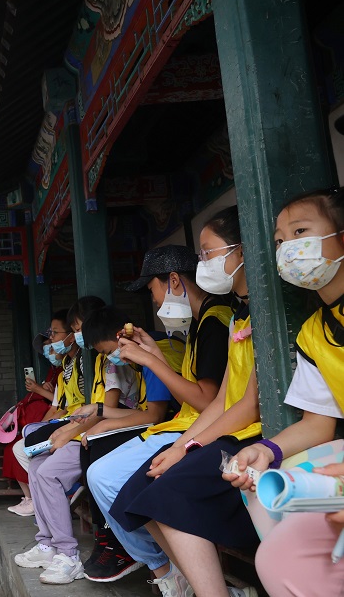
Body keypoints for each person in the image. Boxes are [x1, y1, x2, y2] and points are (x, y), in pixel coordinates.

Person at [109, 205, 260, 597]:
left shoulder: (239, 316)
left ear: (244, 250)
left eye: (208, 253)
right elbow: (222, 399)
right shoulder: (237, 317)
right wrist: (180, 446)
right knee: (136, 492)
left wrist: (187, 446)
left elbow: (242, 405)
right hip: (220, 430)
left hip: (249, 436)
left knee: (164, 494)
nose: (202, 263)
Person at [85, 244, 232, 586]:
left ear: (173, 280)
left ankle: (171, 572)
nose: (153, 300)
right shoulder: (202, 322)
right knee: (107, 477)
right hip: (190, 423)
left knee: (111, 479)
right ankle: (173, 573)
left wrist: (150, 360)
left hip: (207, 428)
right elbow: (189, 393)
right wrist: (154, 354)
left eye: (152, 289)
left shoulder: (216, 321)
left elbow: (207, 401)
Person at [222, 187, 344, 596]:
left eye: (300, 232)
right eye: (279, 241)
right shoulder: (313, 333)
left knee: (281, 558)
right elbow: (318, 424)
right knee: (262, 483)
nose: (288, 248)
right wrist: (265, 450)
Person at [14, 295, 117, 585]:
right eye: (73, 329)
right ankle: (47, 543)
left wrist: (67, 431)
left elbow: (105, 410)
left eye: (78, 328)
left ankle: (68, 554)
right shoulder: (85, 361)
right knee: (36, 467)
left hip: (98, 434)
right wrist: (61, 430)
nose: (75, 335)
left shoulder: (108, 359)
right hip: (80, 430)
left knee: (47, 472)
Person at [72, 305, 178, 581]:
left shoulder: (153, 352)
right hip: (168, 426)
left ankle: (124, 546)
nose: (110, 358)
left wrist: (105, 422)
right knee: (93, 446)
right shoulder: (140, 355)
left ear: (122, 334)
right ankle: (108, 536)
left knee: (100, 452)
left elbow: (155, 416)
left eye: (109, 351)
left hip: (178, 429)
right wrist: (100, 413)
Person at [3, 323, 59, 516]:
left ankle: (38, 499)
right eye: (46, 347)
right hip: (46, 420)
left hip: (63, 423)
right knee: (15, 448)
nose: (49, 350)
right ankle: (32, 498)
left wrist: (38, 390)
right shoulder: (54, 369)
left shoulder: (70, 368)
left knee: (21, 448)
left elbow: (62, 404)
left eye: (51, 344)